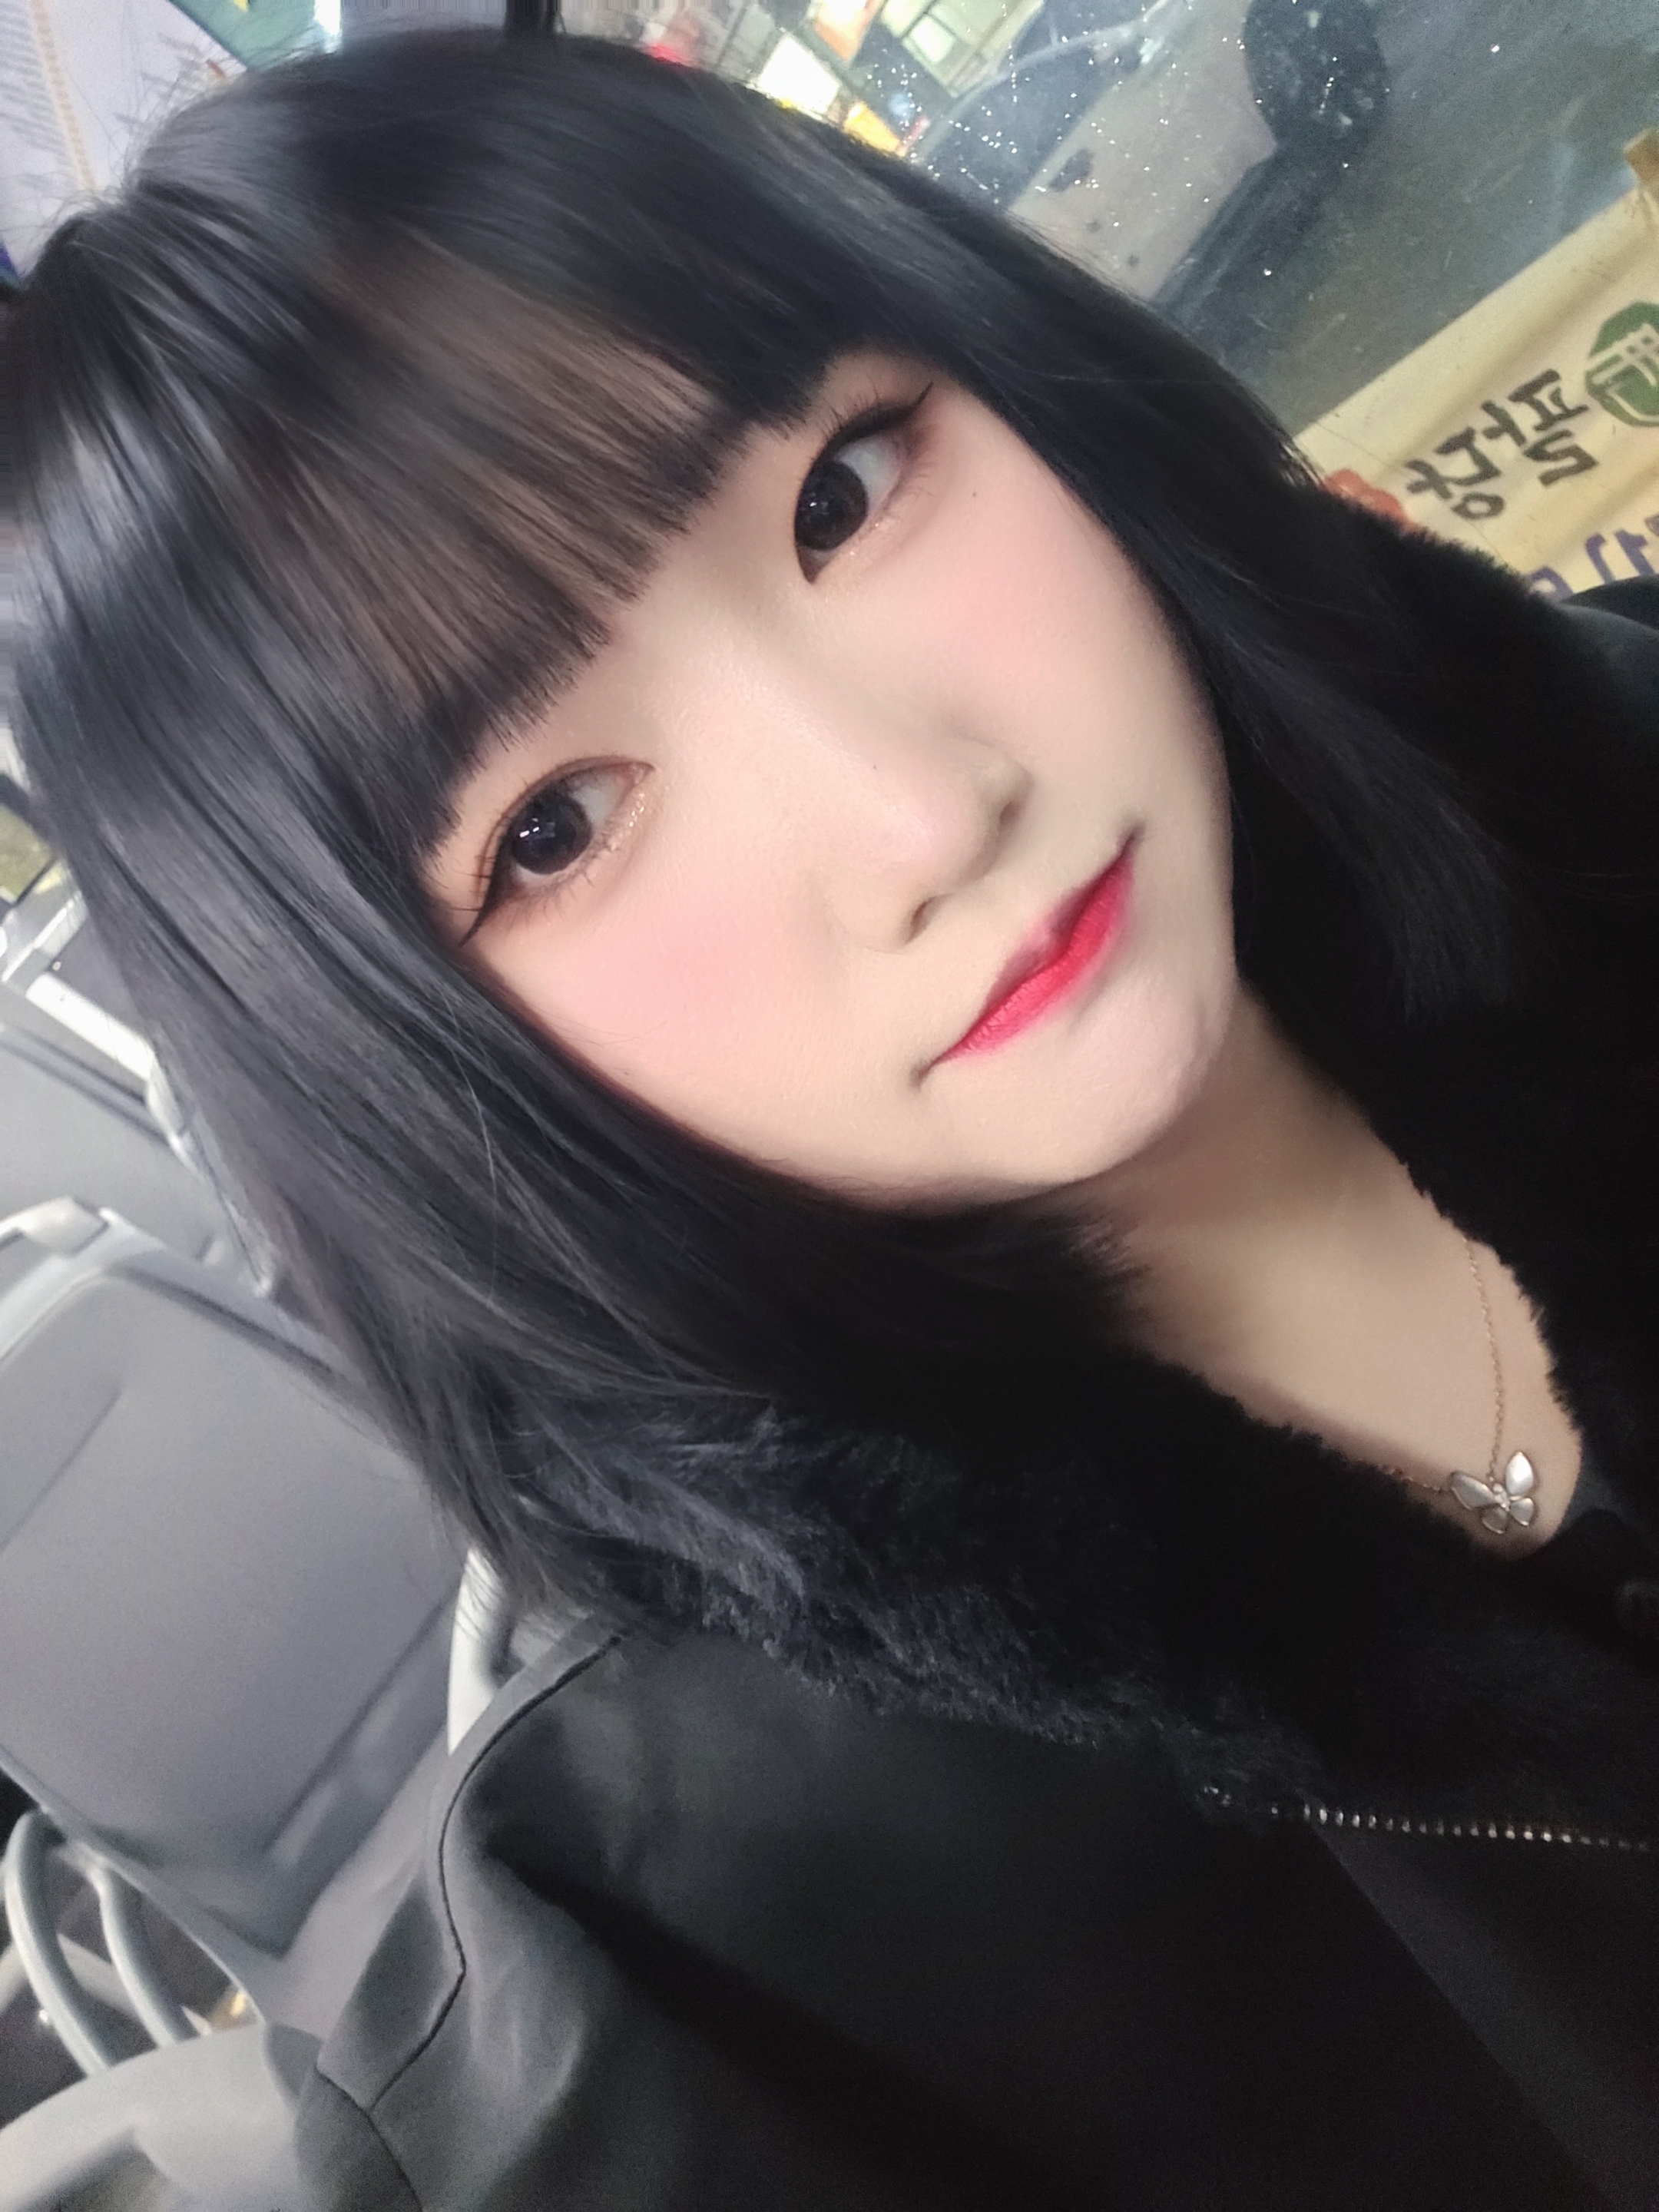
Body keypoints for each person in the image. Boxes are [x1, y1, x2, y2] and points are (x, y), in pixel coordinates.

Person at [5, 27, 1659, 2207]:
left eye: (841, 498)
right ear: (394, 1063)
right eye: (556, 826)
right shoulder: (707, 1995)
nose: (921, 815)